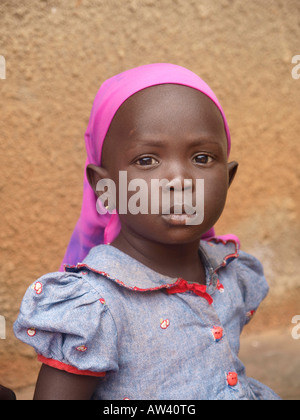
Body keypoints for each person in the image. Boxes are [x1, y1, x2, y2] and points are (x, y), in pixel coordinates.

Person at [14, 63, 281, 400]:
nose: (179, 181)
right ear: (104, 186)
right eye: (146, 161)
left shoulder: (230, 270)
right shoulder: (96, 306)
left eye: (201, 157)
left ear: (228, 179)